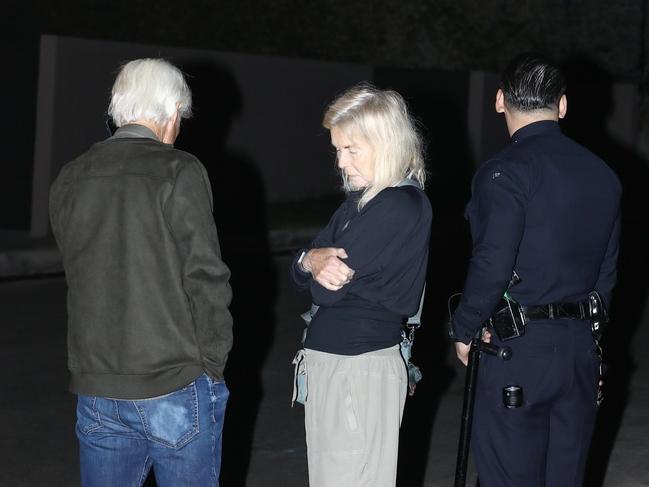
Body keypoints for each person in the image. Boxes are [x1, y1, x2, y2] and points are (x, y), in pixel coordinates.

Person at [49, 58, 233, 487]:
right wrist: (212, 364)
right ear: (171, 114)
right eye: (180, 119)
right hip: (174, 380)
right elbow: (206, 276)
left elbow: (79, 271)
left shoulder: (70, 177)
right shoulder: (179, 170)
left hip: (97, 388)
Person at [449, 53, 621, 486]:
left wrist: (465, 326)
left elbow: (492, 261)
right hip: (580, 351)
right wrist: (590, 340)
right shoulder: (604, 176)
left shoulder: (504, 173)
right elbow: (607, 273)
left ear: (500, 100)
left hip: (518, 351)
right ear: (561, 106)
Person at [290, 84, 432, 487]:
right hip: (339, 365)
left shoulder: (398, 205)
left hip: (358, 366)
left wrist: (311, 265)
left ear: (386, 142)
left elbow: (322, 290)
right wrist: (308, 260)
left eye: (352, 149)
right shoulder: (359, 202)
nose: (341, 162)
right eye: (337, 150)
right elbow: (304, 267)